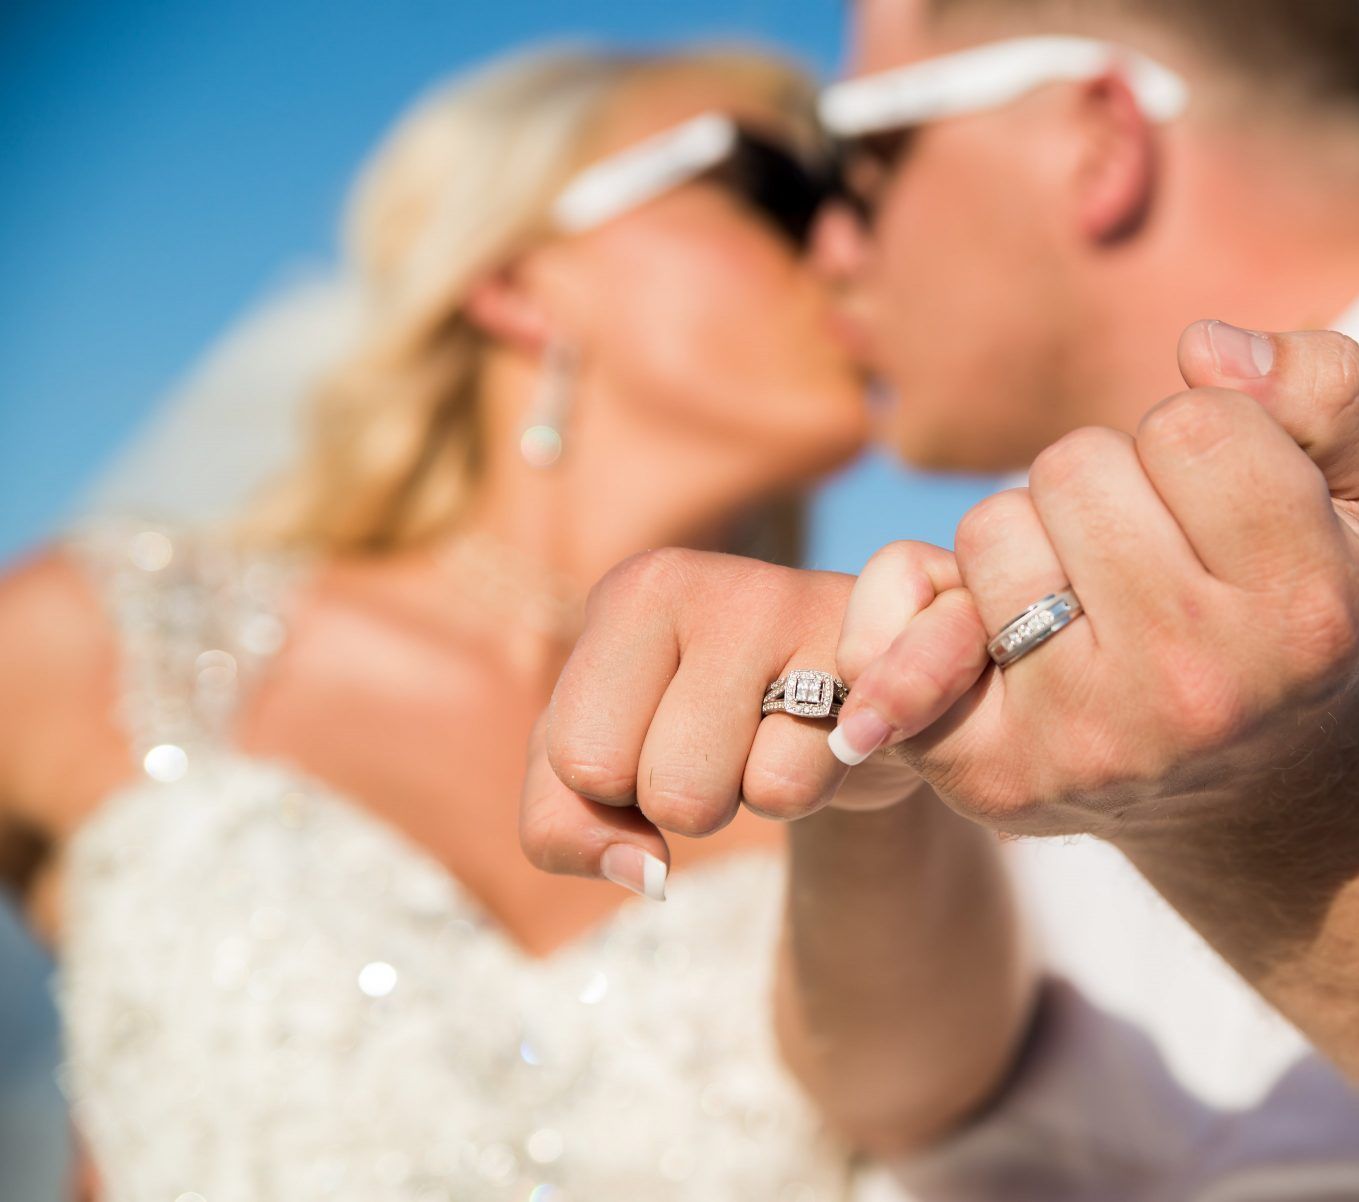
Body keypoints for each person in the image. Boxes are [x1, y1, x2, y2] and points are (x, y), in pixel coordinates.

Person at [523, 1, 1359, 1198]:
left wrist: (1274, 789)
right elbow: (921, 1101)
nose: (833, 250)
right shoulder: (1054, 557)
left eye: (865, 164)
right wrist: (867, 776)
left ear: (1097, 140)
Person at [0, 44, 1030, 1200]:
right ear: (514, 282)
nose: (849, 248)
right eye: (775, 189)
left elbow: (929, 1088)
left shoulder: (865, 729)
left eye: (857, 202)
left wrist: (872, 764)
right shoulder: (90, 637)